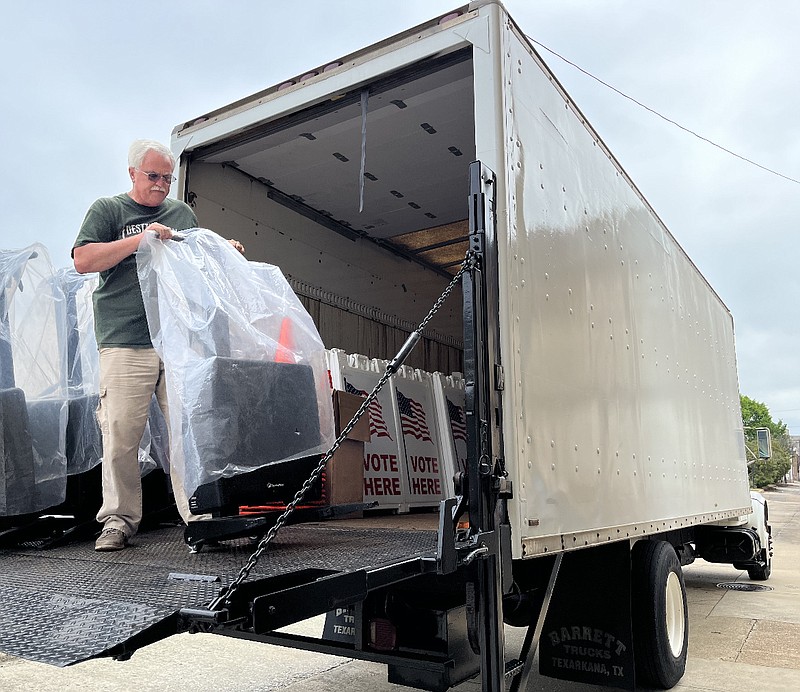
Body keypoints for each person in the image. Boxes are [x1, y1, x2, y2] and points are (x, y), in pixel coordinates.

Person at [73, 139, 244, 551]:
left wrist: (223, 252)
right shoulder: (109, 210)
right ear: (132, 173)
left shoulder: (180, 213)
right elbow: (83, 260)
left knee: (188, 431)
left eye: (168, 178)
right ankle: (118, 521)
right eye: (154, 176)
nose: (162, 185)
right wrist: (141, 239)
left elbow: (194, 259)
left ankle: (198, 516)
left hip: (175, 340)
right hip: (125, 340)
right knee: (121, 435)